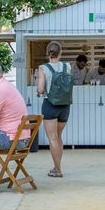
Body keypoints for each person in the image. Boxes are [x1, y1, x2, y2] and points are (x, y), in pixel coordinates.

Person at [35, 41, 72, 177]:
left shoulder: (43, 68)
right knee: (59, 137)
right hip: (65, 105)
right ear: (60, 52)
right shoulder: (67, 66)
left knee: (53, 138)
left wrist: (40, 90)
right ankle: (57, 167)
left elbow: (40, 89)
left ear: (48, 53)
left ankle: (57, 169)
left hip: (50, 104)